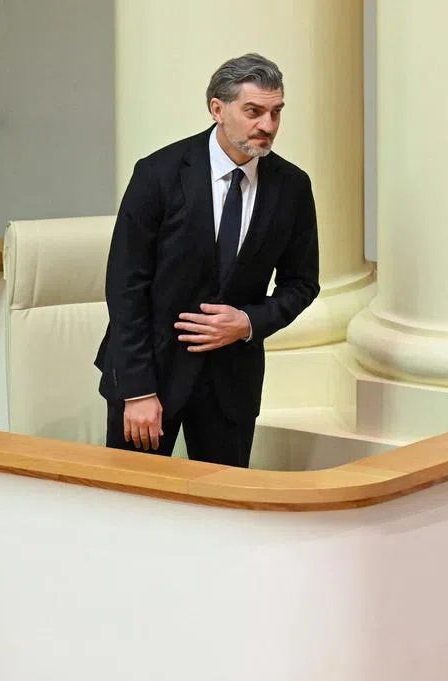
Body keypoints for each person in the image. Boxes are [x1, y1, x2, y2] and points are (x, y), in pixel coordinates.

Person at [94, 53, 320, 467]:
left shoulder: (292, 187)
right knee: (133, 508)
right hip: (151, 377)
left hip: (231, 384)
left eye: (275, 112)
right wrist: (138, 389)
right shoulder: (158, 174)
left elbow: (302, 284)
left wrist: (249, 322)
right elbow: (126, 286)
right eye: (253, 111)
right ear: (218, 108)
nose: (267, 126)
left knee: (223, 515)